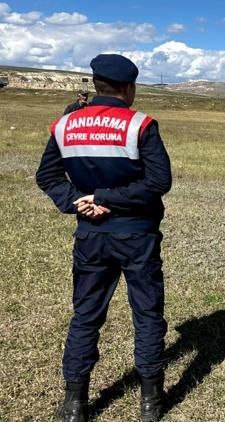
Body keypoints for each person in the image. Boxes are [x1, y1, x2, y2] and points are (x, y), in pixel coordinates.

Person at [36, 54, 172, 422]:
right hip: (137, 235)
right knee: (146, 315)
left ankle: (75, 404)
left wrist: (81, 203)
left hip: (90, 237)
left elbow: (46, 177)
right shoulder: (140, 124)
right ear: (128, 88)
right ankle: (150, 404)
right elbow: (159, 182)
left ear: (96, 84)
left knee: (86, 316)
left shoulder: (65, 125)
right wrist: (106, 199)